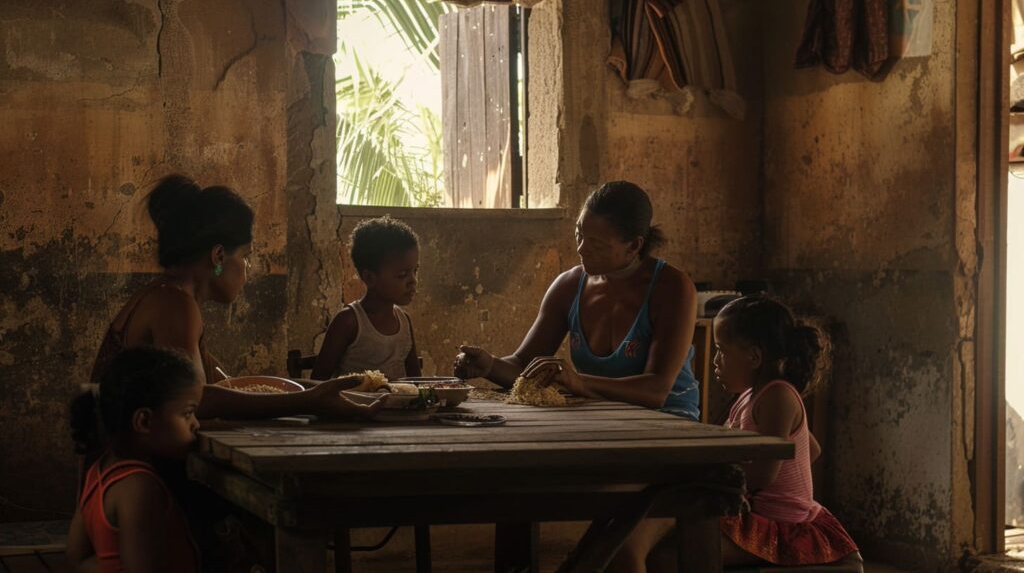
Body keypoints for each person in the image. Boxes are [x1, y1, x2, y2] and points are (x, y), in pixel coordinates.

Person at [89, 174, 382, 421]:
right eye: (245, 256)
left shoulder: (168, 296)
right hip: (130, 471)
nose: (248, 269)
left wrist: (314, 389)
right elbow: (197, 400)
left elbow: (223, 385)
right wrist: (307, 401)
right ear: (218, 255)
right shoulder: (175, 306)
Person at [606, 297, 861, 572]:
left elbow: (764, 474)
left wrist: (707, 473)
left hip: (779, 524)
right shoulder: (751, 396)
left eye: (720, 350)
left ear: (754, 357)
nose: (715, 361)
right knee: (663, 524)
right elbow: (810, 449)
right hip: (750, 510)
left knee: (667, 556)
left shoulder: (777, 396)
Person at [455, 181, 700, 420]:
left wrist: (577, 381)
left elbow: (655, 391)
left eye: (596, 243)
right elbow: (524, 365)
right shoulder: (568, 287)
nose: (582, 249)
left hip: (667, 419)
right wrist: (489, 365)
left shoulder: (671, 289)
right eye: (579, 234)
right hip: (600, 418)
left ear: (634, 245)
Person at [68, 346, 203, 572]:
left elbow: (77, 558)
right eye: (188, 413)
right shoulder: (140, 487)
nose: (196, 425)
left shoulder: (98, 471)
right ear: (144, 421)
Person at [311, 216, 422, 381]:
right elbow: (318, 383)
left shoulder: (404, 321)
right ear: (370, 277)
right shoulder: (349, 322)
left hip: (397, 406)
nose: (413, 281)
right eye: (402, 275)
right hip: (352, 406)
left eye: (415, 271)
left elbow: (417, 381)